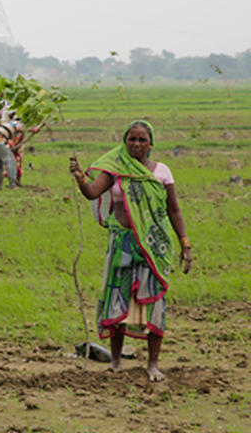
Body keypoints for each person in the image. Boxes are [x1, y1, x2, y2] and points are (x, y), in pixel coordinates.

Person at [70, 120, 192, 382]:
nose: (136, 144)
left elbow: (173, 209)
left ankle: (153, 364)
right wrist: (81, 177)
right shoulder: (115, 170)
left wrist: (185, 244)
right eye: (131, 140)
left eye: (142, 140)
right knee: (118, 296)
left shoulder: (162, 172)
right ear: (124, 142)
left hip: (154, 246)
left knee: (154, 301)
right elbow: (92, 193)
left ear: (151, 144)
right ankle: (115, 362)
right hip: (122, 243)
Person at [0, 116, 24, 188]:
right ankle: (12, 185)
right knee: (11, 161)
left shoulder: (9, 124)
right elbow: (20, 129)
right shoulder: (17, 123)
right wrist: (34, 129)